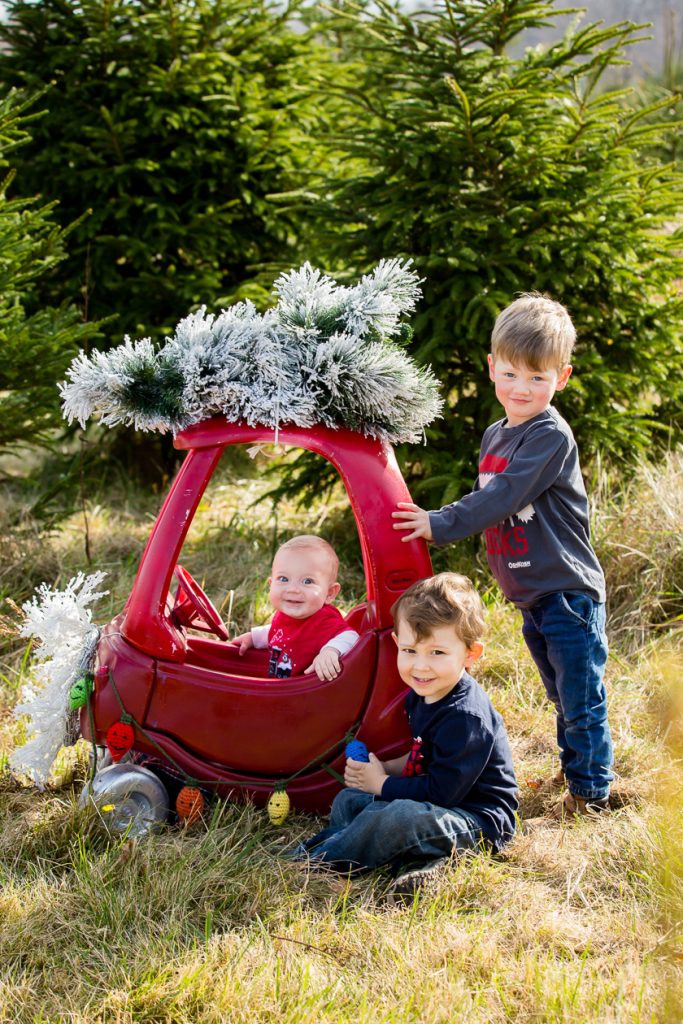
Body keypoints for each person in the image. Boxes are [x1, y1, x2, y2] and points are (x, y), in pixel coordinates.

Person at [392, 293, 613, 818]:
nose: (521, 388)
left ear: (562, 377)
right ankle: (575, 767)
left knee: (581, 699)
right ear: (492, 367)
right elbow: (489, 501)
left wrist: (440, 523)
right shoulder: (496, 434)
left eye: (537, 378)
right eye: (511, 374)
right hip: (533, 597)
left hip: (567, 593)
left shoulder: (549, 436)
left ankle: (591, 791)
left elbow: (503, 497)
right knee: (559, 692)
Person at [288, 573, 518, 895]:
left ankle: (316, 861)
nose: (420, 666)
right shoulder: (422, 693)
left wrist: (382, 784)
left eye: (437, 653)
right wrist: (384, 768)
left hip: (475, 821)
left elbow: (442, 793)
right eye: (410, 650)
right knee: (350, 799)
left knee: (398, 817)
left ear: (470, 654)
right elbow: (422, 755)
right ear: (397, 643)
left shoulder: (465, 717)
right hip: (436, 807)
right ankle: (419, 861)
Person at [233, 535, 359, 681]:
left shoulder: (323, 619)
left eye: (307, 581)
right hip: (282, 687)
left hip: (309, 691)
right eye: (283, 579)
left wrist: (331, 650)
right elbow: (281, 633)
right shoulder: (285, 615)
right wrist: (254, 638)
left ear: (329, 593)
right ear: (271, 584)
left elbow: (352, 637)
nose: (293, 589)